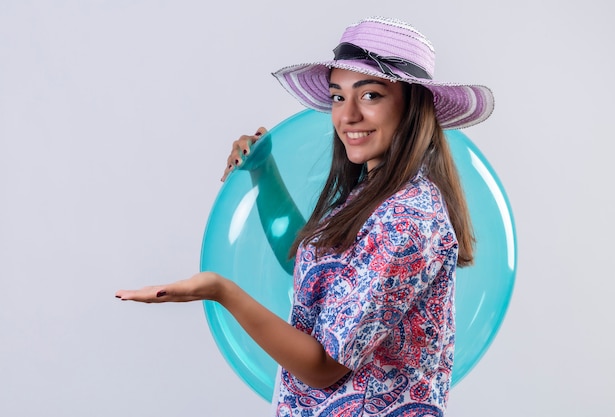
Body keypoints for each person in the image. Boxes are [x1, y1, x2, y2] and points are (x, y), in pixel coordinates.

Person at [116, 16, 494, 417]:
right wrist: (263, 173)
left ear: (414, 105)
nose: (347, 116)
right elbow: (309, 264)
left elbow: (322, 368)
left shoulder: (408, 219)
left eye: (370, 95)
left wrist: (220, 291)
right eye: (337, 96)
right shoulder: (372, 196)